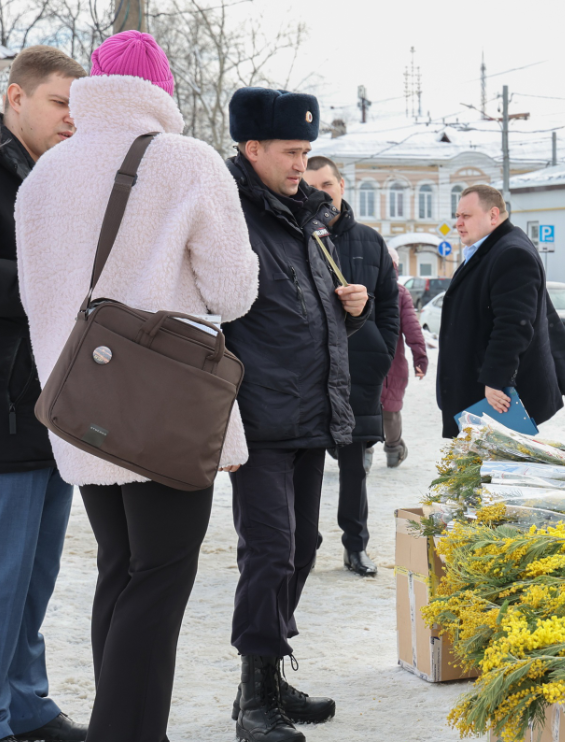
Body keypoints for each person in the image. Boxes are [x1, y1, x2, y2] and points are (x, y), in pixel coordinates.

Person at [14, 32, 260, 742]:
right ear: (162, 91)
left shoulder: (46, 174)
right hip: (164, 406)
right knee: (159, 576)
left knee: (121, 570)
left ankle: (120, 727)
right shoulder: (188, 163)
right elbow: (233, 292)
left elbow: (39, 297)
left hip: (81, 405)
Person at [223, 86, 371, 742]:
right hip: (256, 416)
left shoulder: (308, 220)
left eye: (307, 152)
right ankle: (255, 701)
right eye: (289, 152)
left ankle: (269, 678)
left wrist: (352, 312)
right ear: (251, 149)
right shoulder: (227, 212)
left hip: (310, 412)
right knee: (271, 552)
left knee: (304, 547)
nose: (301, 166)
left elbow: (310, 317)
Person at [0, 46, 88, 742]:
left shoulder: (54, 179)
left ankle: (24, 703)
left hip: (57, 408)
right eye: (59, 104)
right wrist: (58, 284)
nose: (72, 120)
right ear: (16, 98)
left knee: (35, 577)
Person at [302, 155, 399, 579]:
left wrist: (382, 351)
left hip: (360, 371)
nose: (322, 192)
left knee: (355, 468)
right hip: (307, 371)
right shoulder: (295, 235)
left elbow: (390, 305)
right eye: (313, 185)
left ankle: (355, 546)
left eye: (328, 183)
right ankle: (302, 543)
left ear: (342, 185)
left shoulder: (370, 241)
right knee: (301, 466)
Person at [437, 184, 565, 438]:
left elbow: (514, 325)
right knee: (480, 469)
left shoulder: (511, 253)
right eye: (457, 216)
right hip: (479, 389)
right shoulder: (492, 249)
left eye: (466, 216)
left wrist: (496, 380)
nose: (458, 223)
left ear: (493, 215)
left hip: (494, 396)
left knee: (489, 471)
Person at [379, 244, 428, 465]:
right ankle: (394, 451)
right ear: (395, 266)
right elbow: (412, 328)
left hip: (360, 363)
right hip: (392, 364)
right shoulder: (400, 293)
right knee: (390, 410)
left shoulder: (360, 288)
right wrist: (420, 357)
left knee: (361, 408)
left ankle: (362, 452)